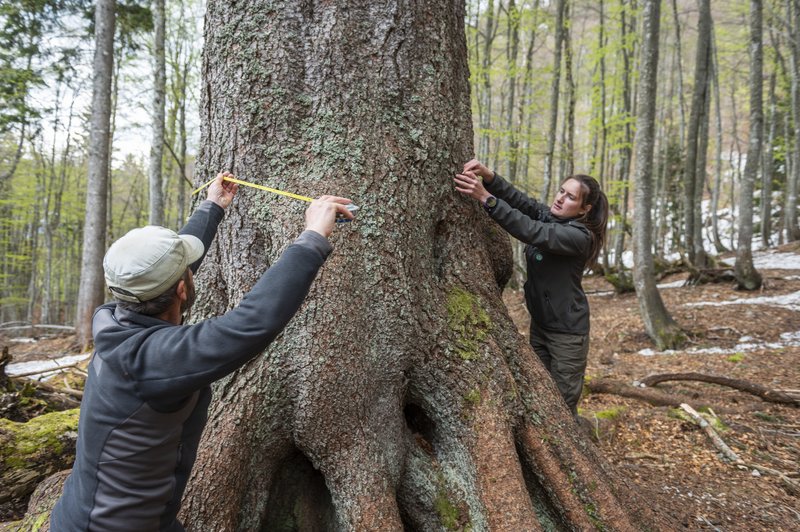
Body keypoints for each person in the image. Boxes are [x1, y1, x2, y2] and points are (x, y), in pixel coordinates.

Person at [50, 172, 354, 531]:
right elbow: (250, 323)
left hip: (89, 513)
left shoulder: (114, 320)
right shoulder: (157, 360)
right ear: (181, 289)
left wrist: (212, 207)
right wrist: (312, 238)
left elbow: (166, 271)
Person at [453, 159, 608, 417]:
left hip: (567, 335)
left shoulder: (579, 237)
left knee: (561, 407)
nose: (560, 199)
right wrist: (490, 177)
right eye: (561, 191)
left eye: (570, 197)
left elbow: (532, 231)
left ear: (584, 209)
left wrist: (487, 199)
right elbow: (523, 203)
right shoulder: (554, 217)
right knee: (540, 394)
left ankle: (567, 455)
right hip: (541, 326)